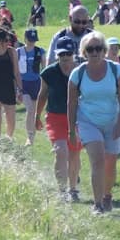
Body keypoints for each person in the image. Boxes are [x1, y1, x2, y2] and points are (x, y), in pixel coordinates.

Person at [68, 32, 120, 214]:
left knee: (110, 162)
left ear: (104, 50)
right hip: (88, 121)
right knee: (98, 161)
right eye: (90, 49)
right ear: (84, 52)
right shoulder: (77, 73)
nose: (94, 52)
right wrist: (71, 129)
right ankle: (97, 204)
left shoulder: (115, 69)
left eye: (98, 49)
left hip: (112, 120)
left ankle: (107, 195)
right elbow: (71, 103)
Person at [37, 37, 81, 201]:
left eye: (68, 54)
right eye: (62, 54)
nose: (65, 58)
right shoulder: (50, 72)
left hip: (76, 118)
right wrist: (37, 116)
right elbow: (42, 95)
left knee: (74, 153)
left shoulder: (81, 71)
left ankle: (73, 189)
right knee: (61, 151)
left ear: (73, 55)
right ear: (57, 55)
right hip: (55, 117)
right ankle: (62, 191)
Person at [18, 28, 46, 145]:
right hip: (23, 83)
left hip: (36, 83)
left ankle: (32, 135)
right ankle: (29, 137)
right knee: (29, 109)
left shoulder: (40, 51)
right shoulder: (18, 52)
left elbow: (44, 69)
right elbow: (15, 70)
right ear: (25, 39)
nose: (32, 42)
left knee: (34, 111)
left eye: (34, 40)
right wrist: (16, 88)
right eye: (30, 40)